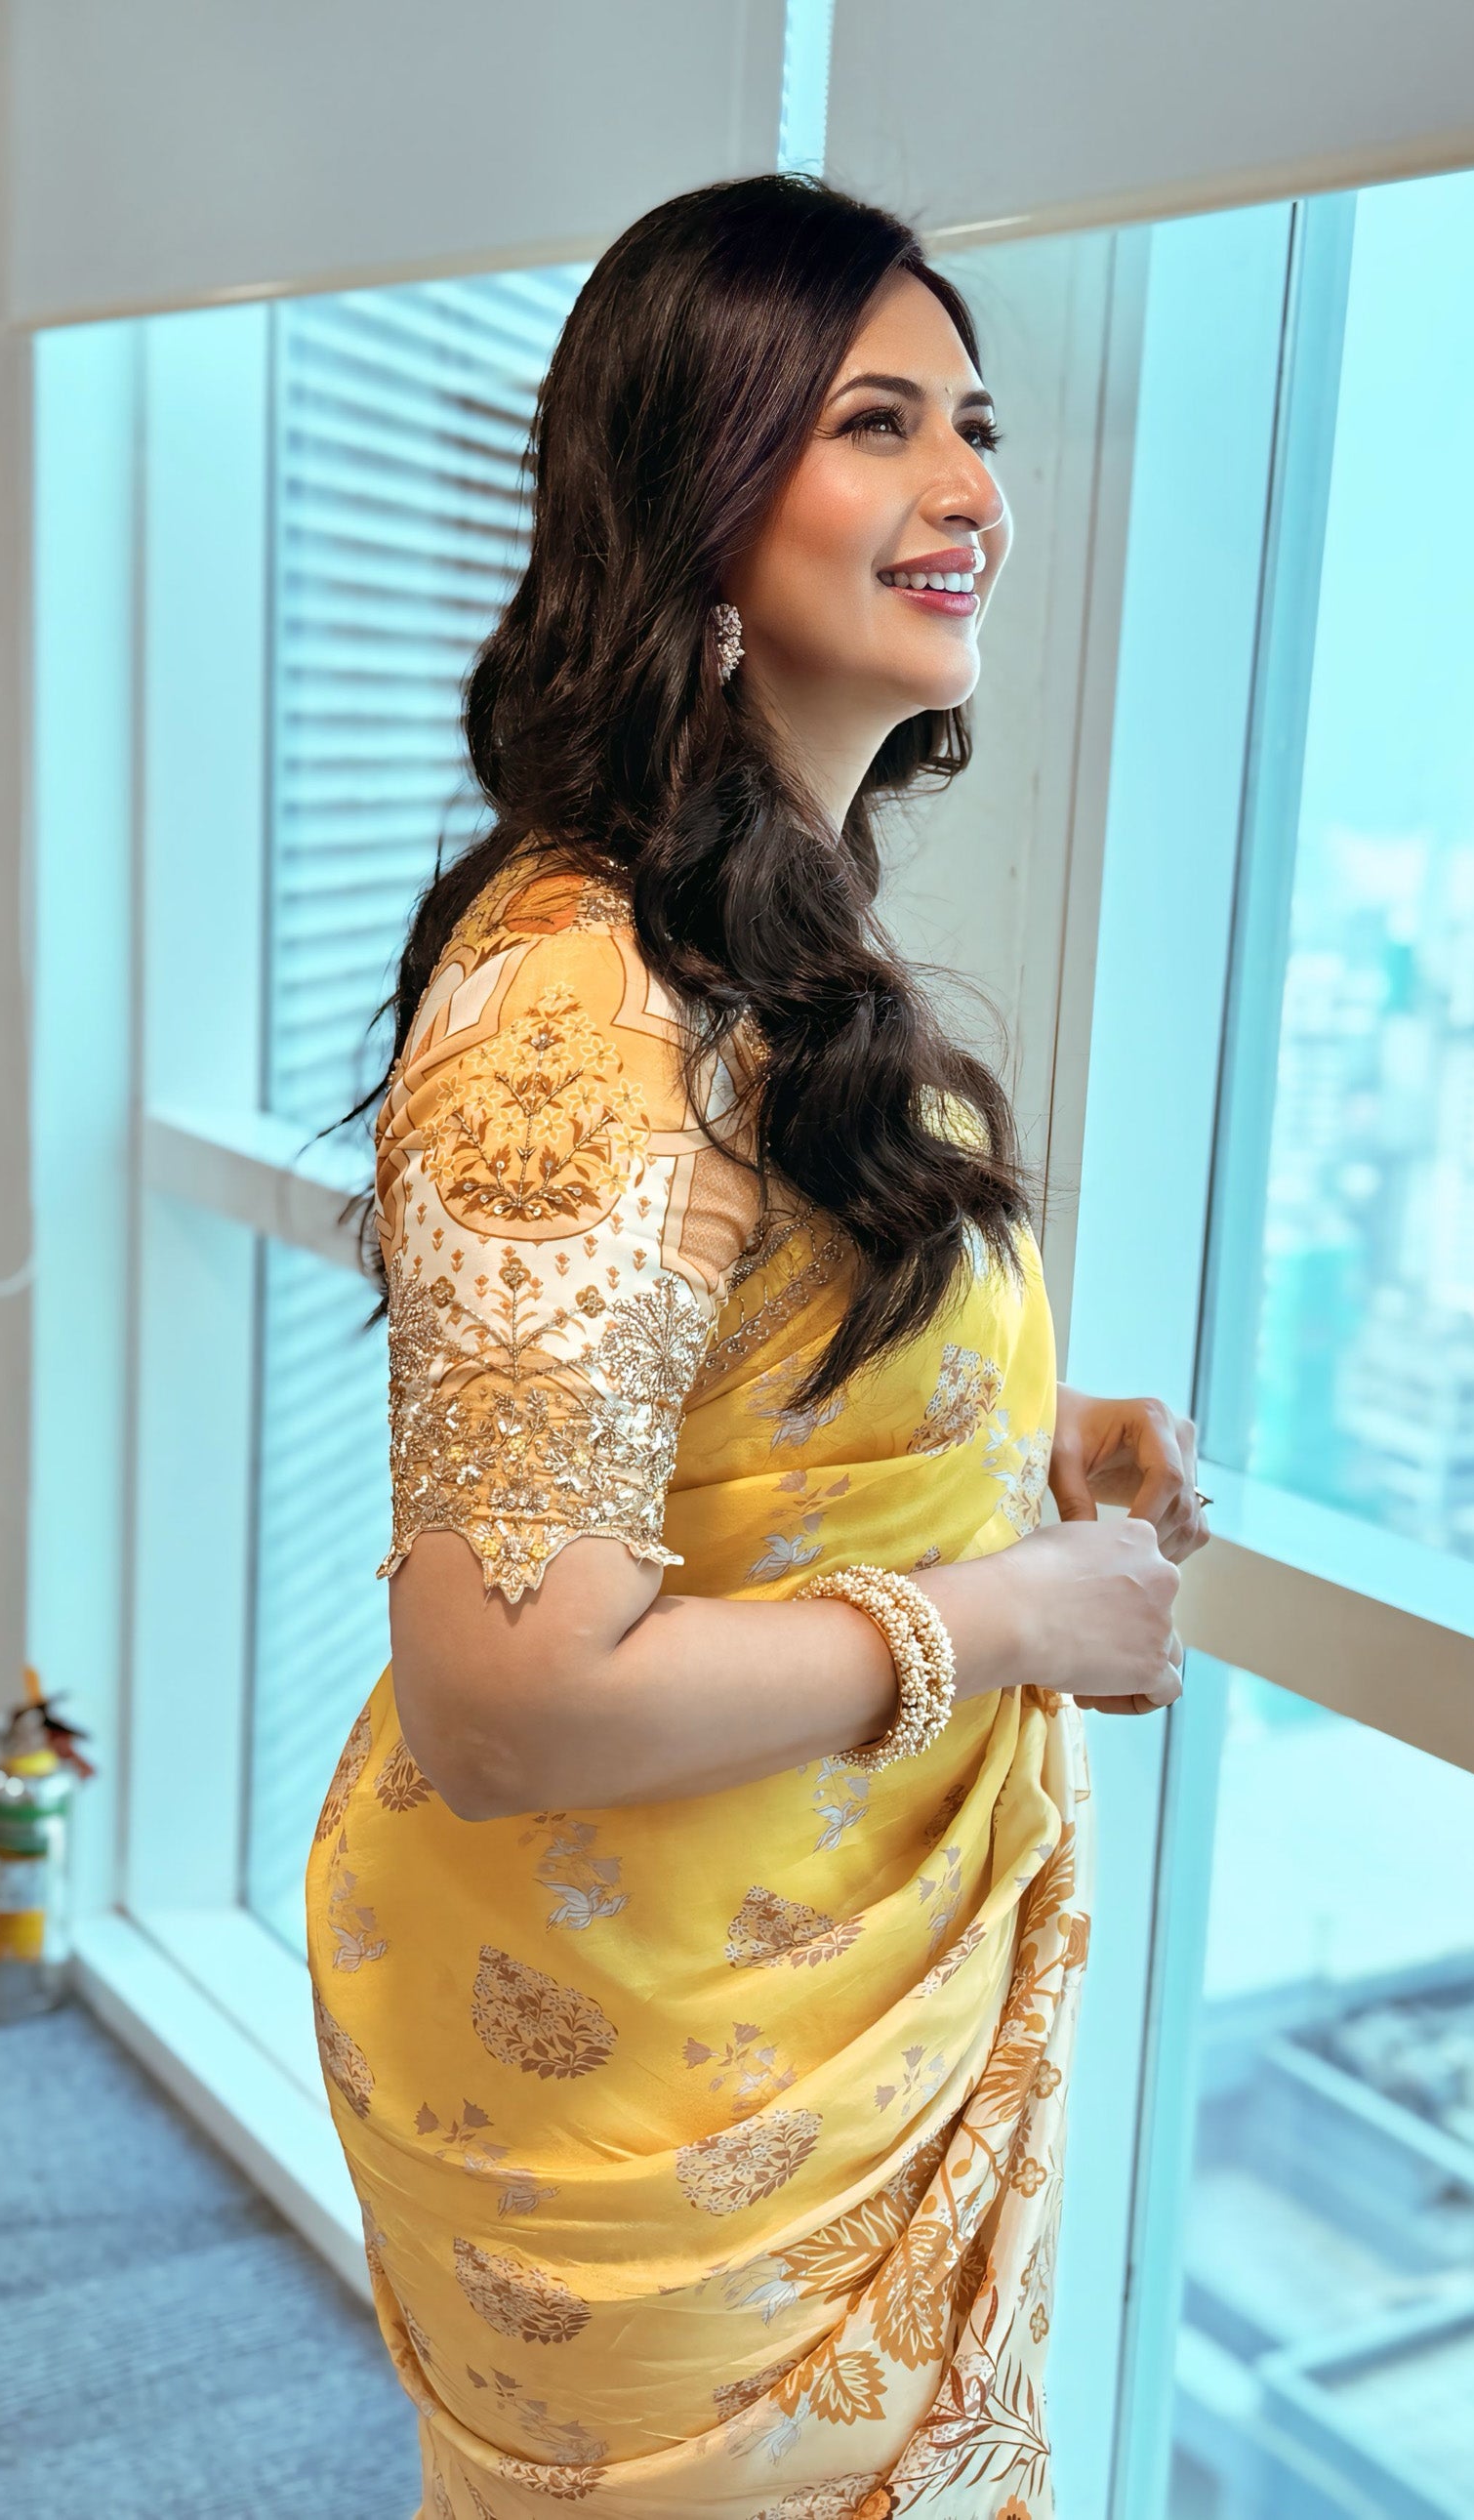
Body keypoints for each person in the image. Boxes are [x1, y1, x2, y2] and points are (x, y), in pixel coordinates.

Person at [304, 170, 1206, 2520]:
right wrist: (1014, 1613)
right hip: (673, 2114)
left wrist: (1012, 1432)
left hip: (781, 2027)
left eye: (973, 425)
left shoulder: (750, 920)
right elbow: (505, 1701)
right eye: (872, 425)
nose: (966, 489)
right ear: (692, 490)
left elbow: (730, 1358)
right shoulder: (582, 1001)